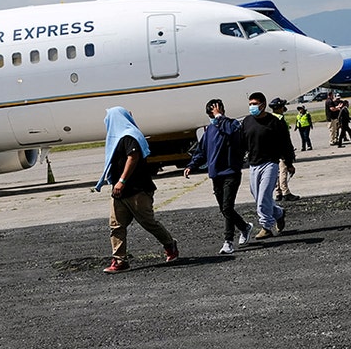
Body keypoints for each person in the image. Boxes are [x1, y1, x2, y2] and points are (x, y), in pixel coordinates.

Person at [96, 106, 179, 272]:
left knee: (148, 223)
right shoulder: (117, 137)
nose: (106, 121)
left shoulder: (129, 136)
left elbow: (132, 156)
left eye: (108, 117)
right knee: (116, 225)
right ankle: (119, 260)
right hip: (119, 192)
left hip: (137, 190)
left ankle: (170, 245)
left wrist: (121, 180)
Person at [185, 99, 254, 255]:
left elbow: (231, 132)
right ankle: (245, 227)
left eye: (214, 112)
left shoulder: (232, 124)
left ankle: (228, 242)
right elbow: (202, 151)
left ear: (221, 110)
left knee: (227, 207)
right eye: (210, 113)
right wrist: (191, 165)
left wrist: (220, 117)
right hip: (216, 175)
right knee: (224, 209)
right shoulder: (209, 130)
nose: (212, 115)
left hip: (231, 173)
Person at [241, 92, 293, 239]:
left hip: (270, 163)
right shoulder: (247, 121)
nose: (252, 107)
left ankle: (266, 226)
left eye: (255, 104)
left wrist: (289, 163)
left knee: (264, 196)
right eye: (250, 104)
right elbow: (242, 143)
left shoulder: (274, 122)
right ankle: (279, 213)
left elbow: (285, 143)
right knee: (257, 197)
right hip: (253, 165)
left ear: (263, 105)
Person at [268, 97, 300, 202]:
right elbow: (284, 138)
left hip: (272, 150)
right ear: (279, 108)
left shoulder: (270, 118)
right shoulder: (279, 120)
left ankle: (278, 192)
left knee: (277, 172)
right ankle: (285, 192)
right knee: (283, 170)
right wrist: (287, 154)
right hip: (280, 150)